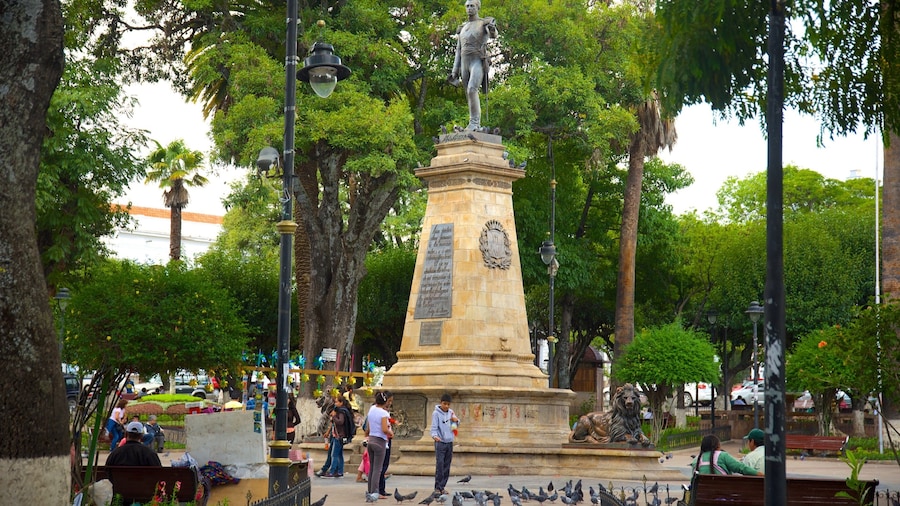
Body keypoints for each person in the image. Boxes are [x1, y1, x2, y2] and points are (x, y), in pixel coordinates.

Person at [449, 0, 498, 131]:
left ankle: (475, 123)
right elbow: (458, 51)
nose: (469, 8)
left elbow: (493, 35)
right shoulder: (463, 28)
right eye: (467, 6)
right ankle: (472, 122)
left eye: (472, 6)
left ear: (478, 8)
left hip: (477, 60)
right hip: (464, 63)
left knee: (472, 89)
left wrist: (492, 29)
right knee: (468, 93)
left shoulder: (483, 23)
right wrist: (455, 71)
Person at [366, 391, 394, 499]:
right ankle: (375, 492)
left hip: (371, 440)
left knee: (372, 468)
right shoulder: (384, 413)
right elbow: (384, 429)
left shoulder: (371, 409)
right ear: (385, 401)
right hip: (380, 441)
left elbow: (368, 427)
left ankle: (370, 490)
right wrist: (391, 433)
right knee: (378, 469)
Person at [691, 435, 761, 476]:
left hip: (701, 497)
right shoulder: (722, 455)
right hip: (723, 495)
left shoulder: (696, 460)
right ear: (717, 446)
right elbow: (741, 468)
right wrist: (758, 474)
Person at [431, 393, 459, 494]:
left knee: (447, 466)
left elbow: (454, 426)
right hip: (440, 442)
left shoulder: (451, 412)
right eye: (444, 404)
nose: (446, 406)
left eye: (448, 404)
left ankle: (442, 487)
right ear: (441, 403)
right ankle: (437, 487)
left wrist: (455, 421)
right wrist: (435, 436)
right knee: (440, 465)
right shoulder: (436, 413)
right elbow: (433, 428)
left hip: (449, 442)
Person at [322, 395, 353, 478]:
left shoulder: (341, 412)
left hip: (339, 436)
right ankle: (340, 471)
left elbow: (340, 422)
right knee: (339, 455)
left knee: (334, 455)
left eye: (336, 402)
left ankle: (332, 471)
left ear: (341, 403)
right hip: (337, 435)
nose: (335, 403)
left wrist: (334, 416)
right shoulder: (340, 411)